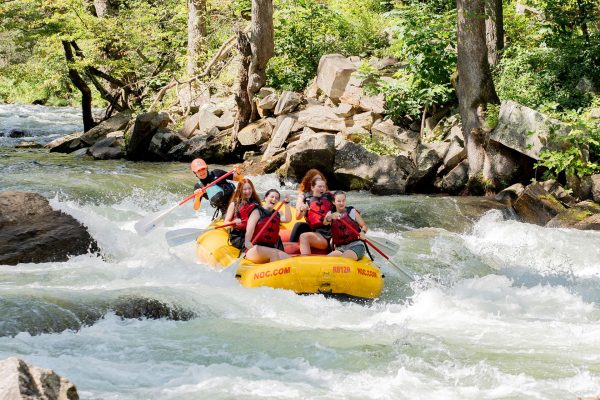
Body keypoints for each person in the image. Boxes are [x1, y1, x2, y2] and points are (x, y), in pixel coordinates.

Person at [244, 189, 292, 263]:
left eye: (276, 198)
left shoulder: (277, 214)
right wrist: (247, 241)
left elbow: (287, 219)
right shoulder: (257, 211)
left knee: (289, 259)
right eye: (272, 197)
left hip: (270, 248)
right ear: (265, 198)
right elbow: (250, 229)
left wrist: (287, 203)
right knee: (273, 253)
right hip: (254, 248)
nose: (274, 199)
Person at [324, 191, 368, 260]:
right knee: (327, 260)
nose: (341, 203)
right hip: (340, 248)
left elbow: (364, 226)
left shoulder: (352, 211)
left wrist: (362, 232)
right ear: (333, 202)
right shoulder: (330, 213)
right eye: (339, 201)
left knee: (344, 258)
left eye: (343, 201)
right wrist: (331, 216)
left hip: (356, 245)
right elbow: (325, 222)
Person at [297, 177, 335, 255]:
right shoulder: (307, 201)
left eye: (324, 187)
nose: (322, 189)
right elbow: (298, 217)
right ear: (312, 187)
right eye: (319, 186)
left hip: (333, 233)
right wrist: (302, 210)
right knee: (304, 237)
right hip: (319, 235)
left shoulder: (330, 198)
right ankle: (306, 261)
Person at [223, 178, 262, 249]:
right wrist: (233, 222)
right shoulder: (234, 204)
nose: (248, 191)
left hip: (253, 234)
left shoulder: (256, 202)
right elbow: (226, 223)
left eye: (249, 188)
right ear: (240, 190)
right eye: (245, 189)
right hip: (238, 236)